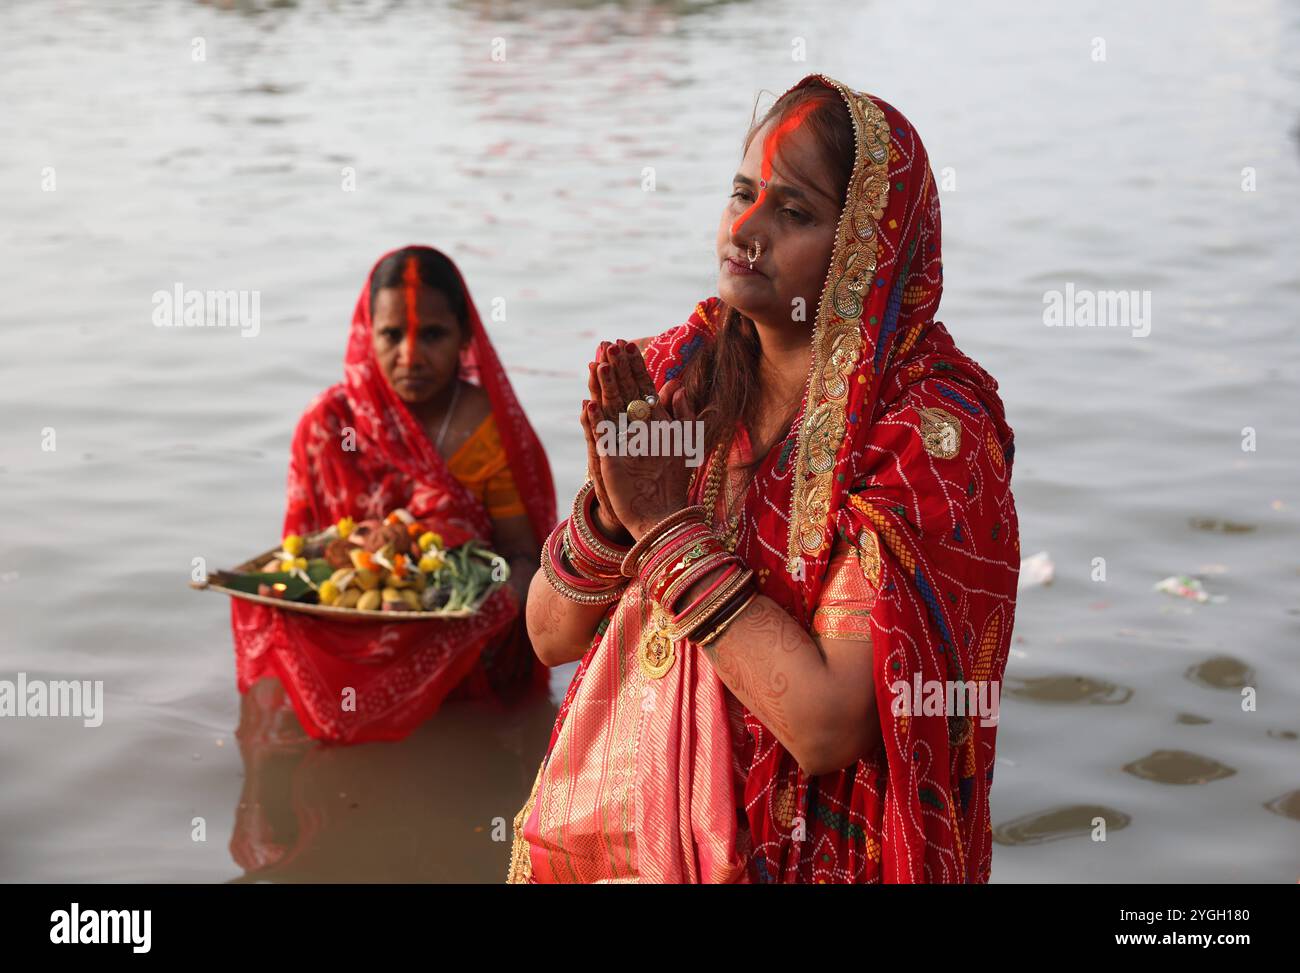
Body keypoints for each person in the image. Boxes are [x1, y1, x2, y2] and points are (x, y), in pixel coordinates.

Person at [511, 75, 1020, 883]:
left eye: (794, 212)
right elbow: (550, 635)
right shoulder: (682, 371)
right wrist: (613, 516)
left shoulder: (925, 438)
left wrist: (664, 526)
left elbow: (824, 726)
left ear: (868, 251)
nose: (746, 230)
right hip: (634, 838)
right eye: (742, 193)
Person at [230, 245, 556, 744]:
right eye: (391, 335)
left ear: (465, 336)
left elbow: (522, 556)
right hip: (350, 639)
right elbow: (303, 563)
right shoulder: (329, 425)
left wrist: (465, 613)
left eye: (432, 335)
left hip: (464, 655)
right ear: (367, 333)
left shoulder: (489, 430)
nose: (410, 357)